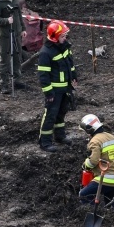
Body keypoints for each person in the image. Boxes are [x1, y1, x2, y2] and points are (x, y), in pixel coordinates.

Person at [37, 21, 76, 152]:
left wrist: (74, 76)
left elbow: (70, 64)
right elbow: (43, 76)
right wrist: (49, 93)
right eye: (63, 36)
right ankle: (45, 142)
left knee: (61, 113)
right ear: (54, 36)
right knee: (50, 115)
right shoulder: (45, 53)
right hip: (54, 90)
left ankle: (60, 136)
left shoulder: (64, 47)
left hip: (65, 88)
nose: (65, 38)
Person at [79, 114, 114, 204]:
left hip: (106, 178)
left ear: (89, 130)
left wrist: (85, 164)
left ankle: (91, 213)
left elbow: (93, 161)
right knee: (109, 203)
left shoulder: (95, 141)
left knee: (84, 195)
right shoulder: (112, 137)